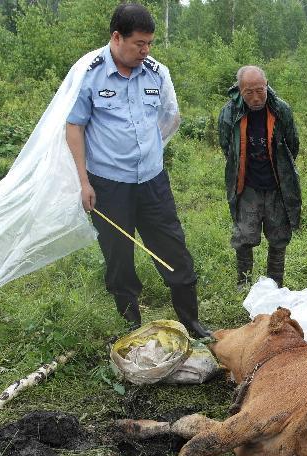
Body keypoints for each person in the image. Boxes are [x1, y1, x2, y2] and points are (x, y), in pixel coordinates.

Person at [66, 3, 210, 338]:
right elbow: (74, 127)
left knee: (174, 248)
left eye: (149, 44)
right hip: (108, 185)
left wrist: (146, 149)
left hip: (152, 182)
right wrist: (83, 182)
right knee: (119, 258)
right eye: (138, 44)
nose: (145, 51)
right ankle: (130, 326)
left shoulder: (157, 72)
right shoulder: (90, 72)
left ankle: (191, 321)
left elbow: (169, 117)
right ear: (117, 38)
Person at [218, 66, 301, 290]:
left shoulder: (281, 110)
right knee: (244, 237)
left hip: (277, 186)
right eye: (249, 92)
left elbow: (292, 145)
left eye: (260, 90)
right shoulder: (230, 112)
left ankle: (275, 285)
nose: (256, 98)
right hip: (247, 186)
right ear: (240, 90)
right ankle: (243, 285)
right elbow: (227, 147)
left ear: (267, 85)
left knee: (279, 236)